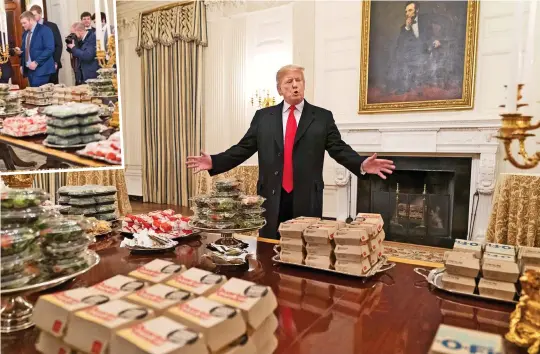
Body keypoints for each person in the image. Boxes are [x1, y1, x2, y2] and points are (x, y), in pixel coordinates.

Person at [187, 65, 395, 239]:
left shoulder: (322, 117)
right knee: (269, 247)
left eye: (299, 80)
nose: (295, 85)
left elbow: (338, 148)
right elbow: (243, 148)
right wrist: (215, 161)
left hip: (306, 195)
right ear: (279, 89)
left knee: (305, 244)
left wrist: (360, 164)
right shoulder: (263, 117)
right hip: (271, 194)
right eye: (289, 81)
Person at [389, 1, 443, 93]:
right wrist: (407, 28)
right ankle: (403, 86)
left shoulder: (425, 22)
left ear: (417, 10)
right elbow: (400, 44)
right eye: (406, 11)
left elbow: (430, 36)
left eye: (410, 10)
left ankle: (428, 84)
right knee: (398, 55)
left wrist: (435, 40)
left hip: (425, 51)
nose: (407, 14)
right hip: (411, 54)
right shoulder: (404, 28)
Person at [14, 11, 55, 87]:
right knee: (33, 95)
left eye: (24, 23)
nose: (22, 25)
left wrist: (36, 62)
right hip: (29, 70)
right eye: (22, 23)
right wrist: (21, 62)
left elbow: (49, 49)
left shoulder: (45, 30)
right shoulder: (25, 33)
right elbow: (26, 50)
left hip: (42, 69)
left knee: (39, 95)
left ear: (31, 20)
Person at [29, 5, 62, 84]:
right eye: (31, 16)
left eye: (34, 15)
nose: (32, 18)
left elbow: (58, 45)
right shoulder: (30, 28)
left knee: (53, 90)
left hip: (52, 64)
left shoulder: (52, 26)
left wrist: (55, 62)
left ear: (40, 14)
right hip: (37, 66)